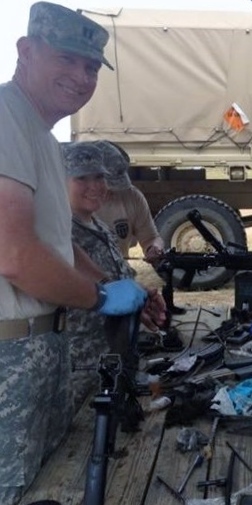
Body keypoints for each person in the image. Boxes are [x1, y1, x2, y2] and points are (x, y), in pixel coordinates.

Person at [0, 3, 147, 503]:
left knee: (49, 483)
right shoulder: (5, 117)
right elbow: (16, 255)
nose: (81, 77)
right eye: (66, 59)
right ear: (25, 52)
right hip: (9, 353)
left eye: (90, 68)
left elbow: (55, 238)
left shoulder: (41, 133)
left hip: (40, 347)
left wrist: (104, 284)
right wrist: (98, 299)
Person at [64, 142, 166, 409]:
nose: (95, 186)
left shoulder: (98, 226)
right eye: (81, 178)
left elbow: (115, 283)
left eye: (99, 176)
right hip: (79, 373)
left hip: (112, 364)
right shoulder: (59, 232)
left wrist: (141, 299)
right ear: (60, 182)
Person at [95, 140, 165, 265]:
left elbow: (151, 238)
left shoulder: (132, 196)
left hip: (118, 277)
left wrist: (153, 248)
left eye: (116, 185)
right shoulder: (68, 202)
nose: (111, 191)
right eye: (107, 184)